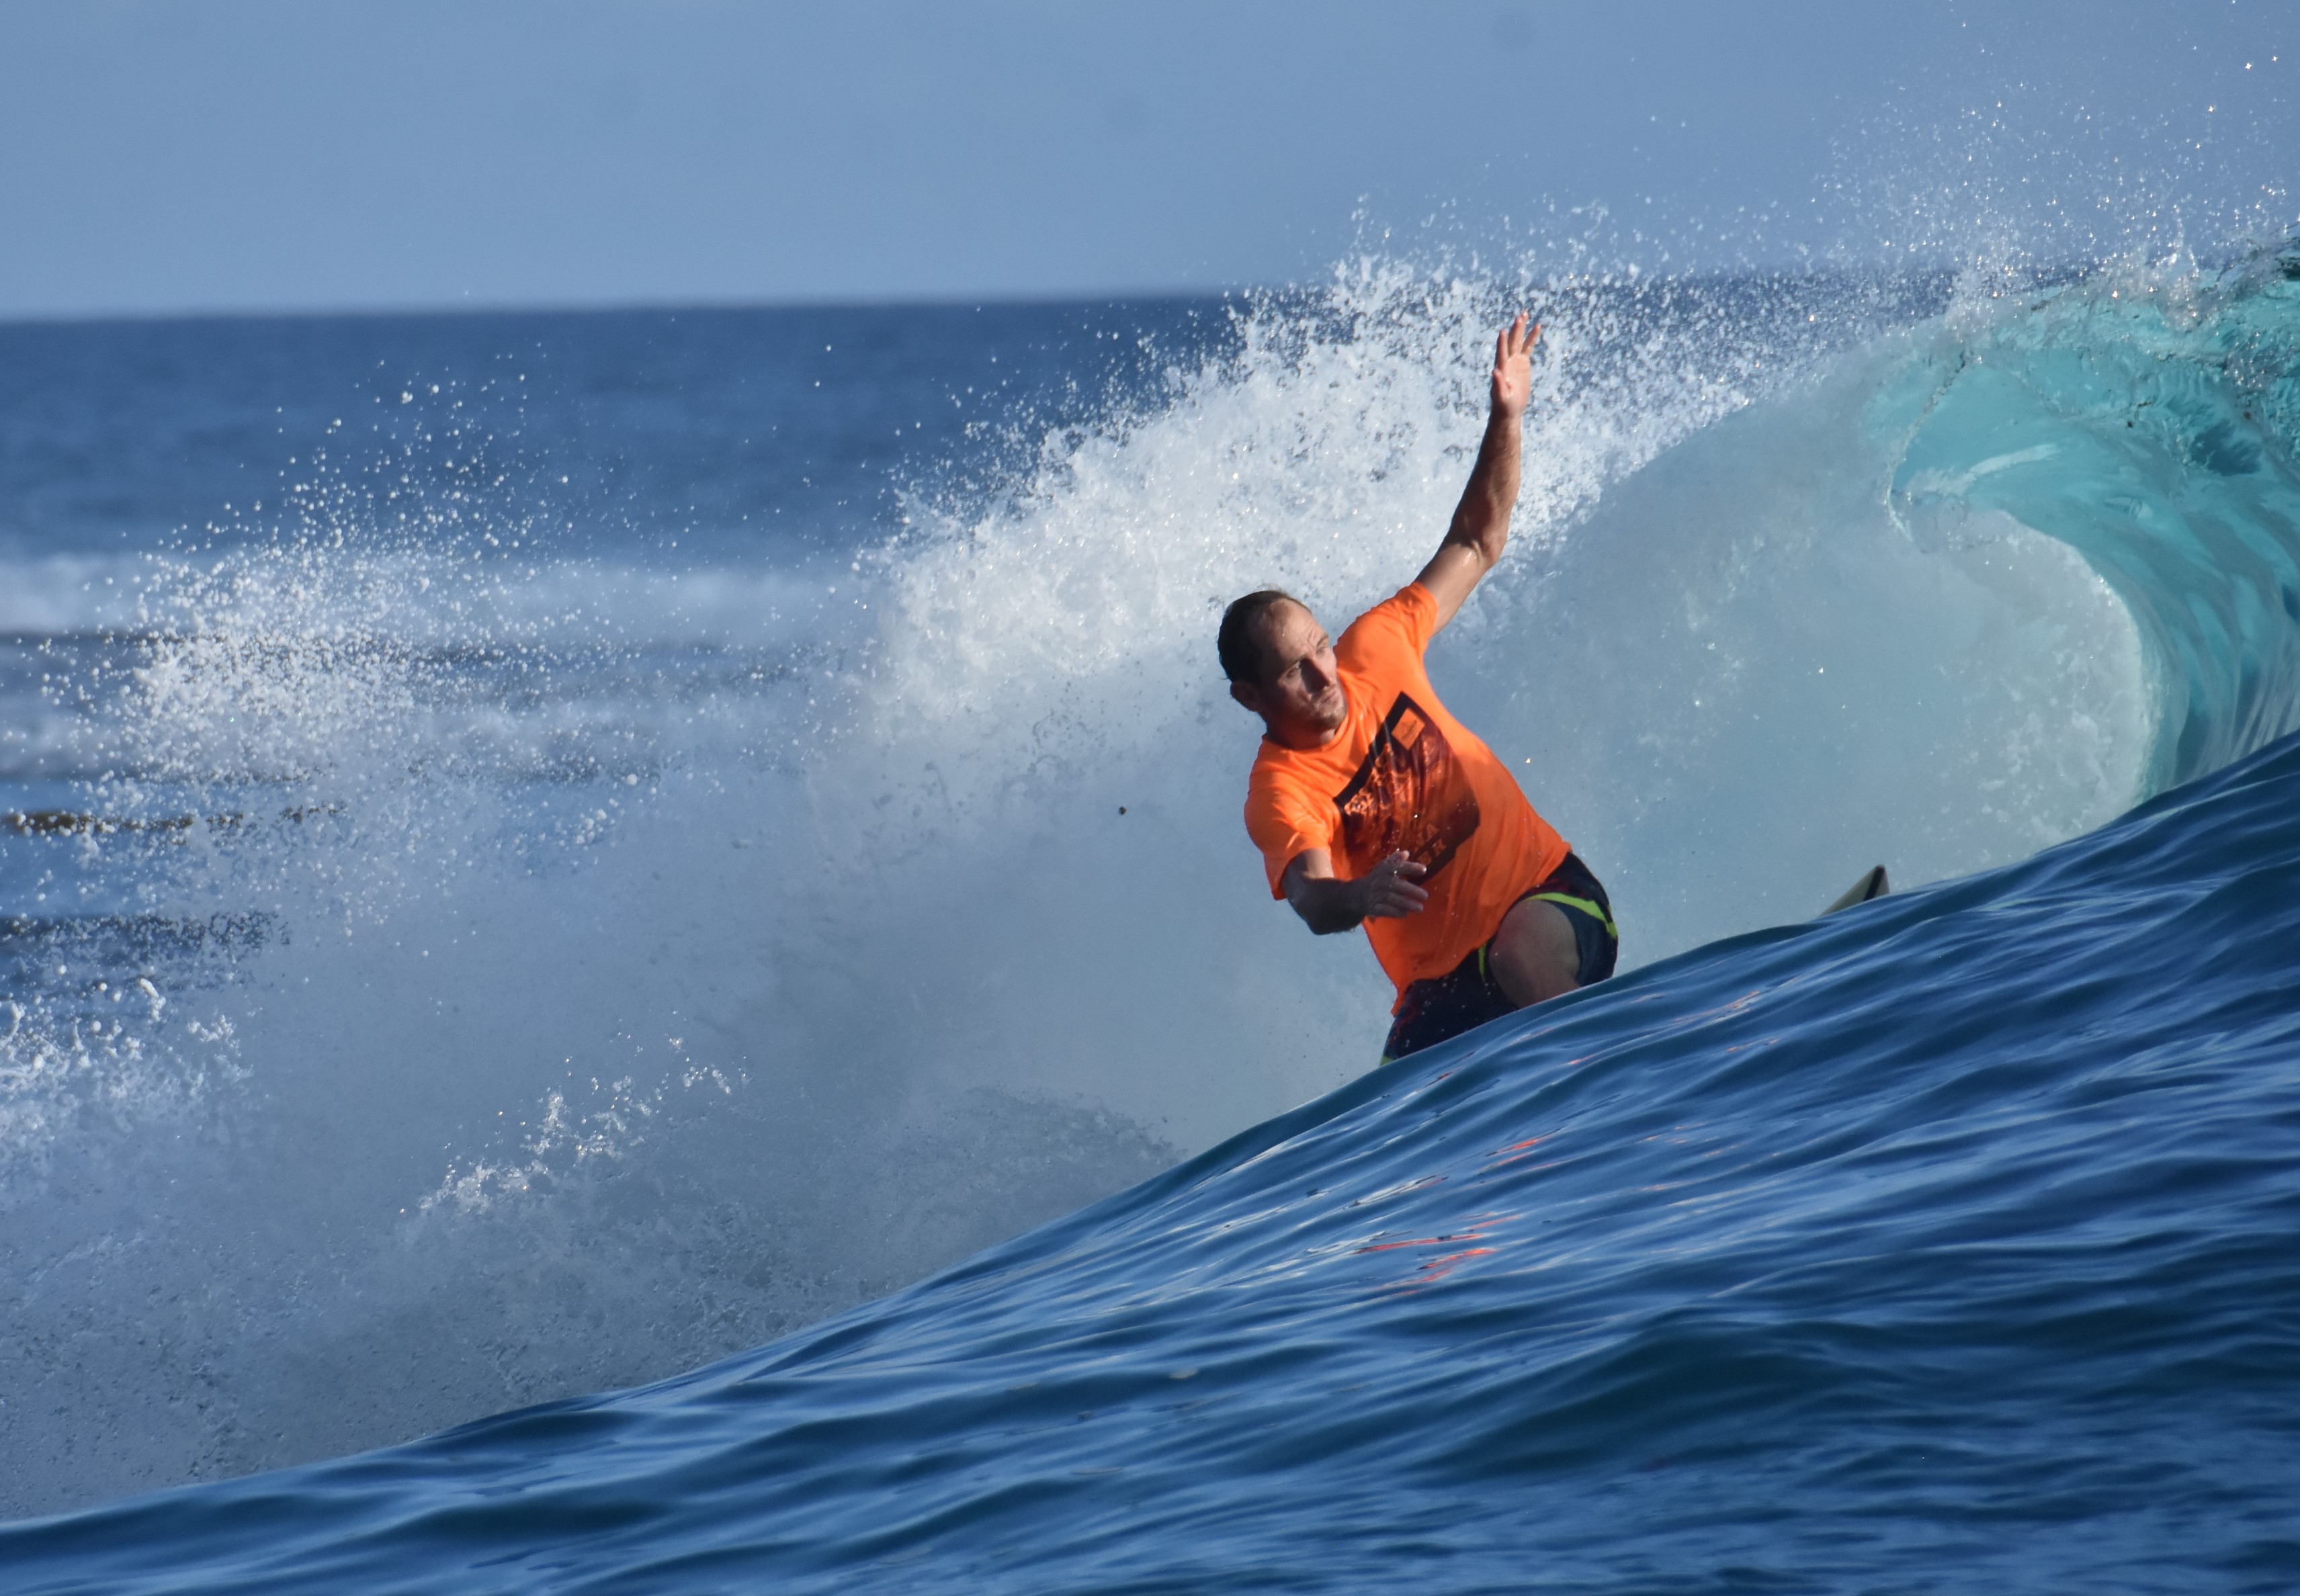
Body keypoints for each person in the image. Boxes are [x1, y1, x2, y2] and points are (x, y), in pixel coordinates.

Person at [1220, 314, 1616, 1065]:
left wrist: (1507, 418)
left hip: (1549, 900)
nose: (1323, 677)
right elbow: (1309, 895)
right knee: (1392, 1124)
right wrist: (1358, 895)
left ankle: (1623, 1086)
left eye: (1320, 650)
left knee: (1519, 959)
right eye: (1294, 673)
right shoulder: (1279, 792)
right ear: (1249, 698)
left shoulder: (1376, 646)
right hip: (1444, 988)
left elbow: (1475, 542)